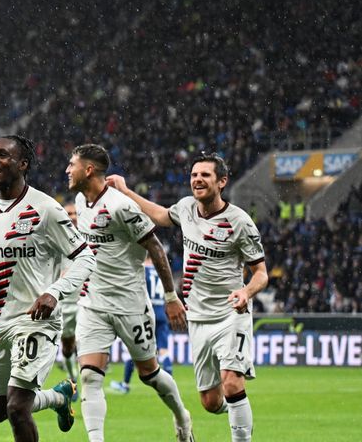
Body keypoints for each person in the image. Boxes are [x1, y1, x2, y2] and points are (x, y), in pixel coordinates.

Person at [107, 152, 268, 442]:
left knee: (232, 384)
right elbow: (158, 215)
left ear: (222, 181)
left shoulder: (240, 221)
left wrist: (246, 291)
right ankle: (239, 413)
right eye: (194, 175)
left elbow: (261, 273)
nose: (197, 180)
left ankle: (241, 433)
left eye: (205, 175)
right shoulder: (186, 208)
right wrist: (126, 191)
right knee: (210, 402)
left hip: (231, 314)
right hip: (198, 318)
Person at [0, 135, 96, 442]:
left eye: (2, 155)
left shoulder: (46, 208)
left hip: (34, 321)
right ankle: (58, 396)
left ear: (23, 164)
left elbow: (86, 257)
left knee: (17, 407)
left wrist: (54, 292)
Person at [65, 144, 194, 442]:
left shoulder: (121, 206)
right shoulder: (80, 202)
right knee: (89, 376)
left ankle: (181, 415)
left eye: (73, 164)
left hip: (130, 304)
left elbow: (156, 248)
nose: (67, 170)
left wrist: (171, 297)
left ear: (89, 170)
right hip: (93, 303)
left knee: (150, 374)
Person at [110, 254, 173, 394]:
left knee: (134, 349)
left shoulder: (142, 269)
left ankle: (125, 384)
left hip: (147, 313)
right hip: (161, 312)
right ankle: (170, 384)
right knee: (164, 350)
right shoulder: (159, 270)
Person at [56, 203, 81, 389]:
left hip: (84, 300)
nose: (72, 216)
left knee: (85, 342)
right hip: (65, 301)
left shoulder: (89, 237)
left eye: (75, 213)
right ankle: (72, 377)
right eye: (69, 213)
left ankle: (89, 383)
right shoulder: (56, 239)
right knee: (67, 345)